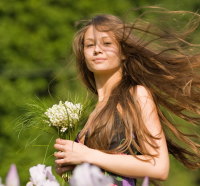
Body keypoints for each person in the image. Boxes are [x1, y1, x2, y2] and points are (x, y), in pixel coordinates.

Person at [54, 9, 200, 185]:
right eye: (90, 45)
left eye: (107, 43)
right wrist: (72, 169)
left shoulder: (136, 95)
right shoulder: (93, 112)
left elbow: (158, 167)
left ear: (123, 52)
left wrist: (87, 155)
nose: (97, 50)